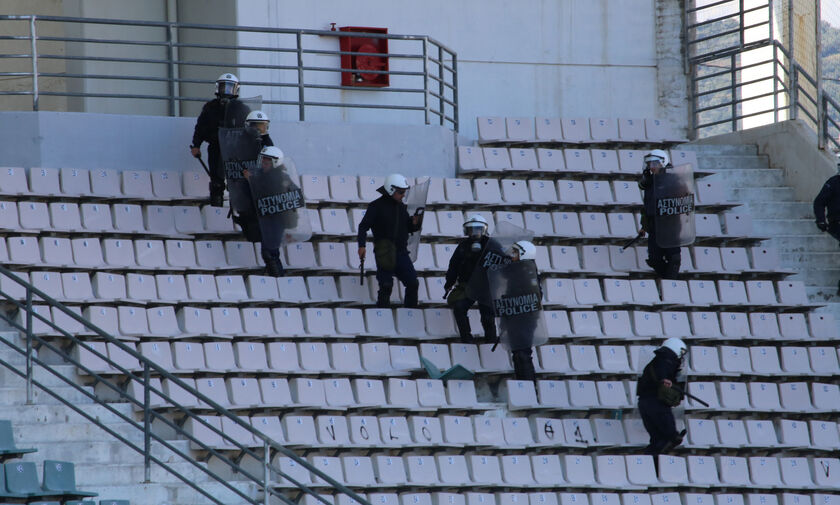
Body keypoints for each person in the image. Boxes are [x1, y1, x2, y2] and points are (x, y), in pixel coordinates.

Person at [357, 174, 421, 308]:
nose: (403, 195)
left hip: (402, 252)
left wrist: (414, 223)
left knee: (413, 283)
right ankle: (382, 312)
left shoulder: (401, 207)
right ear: (391, 190)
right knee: (386, 285)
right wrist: (361, 246)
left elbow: (407, 227)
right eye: (401, 192)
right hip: (384, 252)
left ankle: (410, 312)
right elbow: (363, 227)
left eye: (405, 192)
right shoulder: (376, 206)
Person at [190, 73, 248, 207]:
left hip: (235, 150)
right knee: (216, 181)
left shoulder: (242, 109)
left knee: (238, 180)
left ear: (236, 90)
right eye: (224, 88)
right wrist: (196, 145)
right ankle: (216, 209)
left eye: (230, 88)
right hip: (216, 147)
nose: (226, 92)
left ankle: (242, 211)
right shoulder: (210, 107)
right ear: (218, 88)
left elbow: (250, 129)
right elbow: (200, 127)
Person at [245, 146, 302, 277]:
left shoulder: (277, 176)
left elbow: (266, 192)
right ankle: (273, 275)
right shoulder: (268, 175)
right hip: (268, 218)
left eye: (267, 162)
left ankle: (278, 277)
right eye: (263, 161)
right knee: (269, 250)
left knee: (270, 252)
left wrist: (251, 180)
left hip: (276, 219)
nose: (263, 164)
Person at [443, 215, 498, 343]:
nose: (475, 232)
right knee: (459, 307)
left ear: (484, 230)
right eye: (472, 229)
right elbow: (454, 265)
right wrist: (449, 283)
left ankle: (490, 339)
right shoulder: (463, 246)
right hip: (467, 285)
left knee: (488, 316)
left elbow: (502, 263)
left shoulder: (492, 245)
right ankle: (466, 338)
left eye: (478, 229)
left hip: (486, 286)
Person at [636, 337, 687, 458]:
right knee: (670, 437)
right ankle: (654, 461)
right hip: (656, 404)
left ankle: (651, 463)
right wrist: (664, 380)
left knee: (657, 439)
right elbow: (662, 374)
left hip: (644, 403)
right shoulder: (666, 361)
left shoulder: (657, 361)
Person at [498, 240, 541, 382]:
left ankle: (530, 385)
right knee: (517, 354)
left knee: (523, 354)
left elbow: (535, 296)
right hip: (514, 318)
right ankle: (522, 385)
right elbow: (503, 272)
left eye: (516, 252)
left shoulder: (529, 273)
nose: (512, 255)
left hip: (525, 319)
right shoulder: (517, 270)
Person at [639, 149, 681, 279]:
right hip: (654, 227)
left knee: (673, 258)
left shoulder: (673, 181)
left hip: (670, 226)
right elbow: (647, 207)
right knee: (654, 259)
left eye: (655, 164)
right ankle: (667, 281)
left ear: (663, 163)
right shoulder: (650, 183)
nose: (652, 167)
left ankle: (672, 284)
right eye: (650, 164)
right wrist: (644, 227)